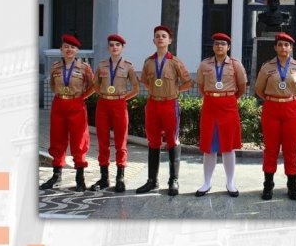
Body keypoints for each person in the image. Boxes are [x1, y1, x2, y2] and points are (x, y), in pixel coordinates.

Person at [136, 25, 192, 196]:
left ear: (169, 40)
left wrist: (174, 91)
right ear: (153, 40)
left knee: (172, 141)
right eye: (157, 36)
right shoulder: (148, 62)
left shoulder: (175, 62)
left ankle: (173, 180)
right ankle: (152, 181)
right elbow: (145, 81)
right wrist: (155, 89)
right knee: (153, 141)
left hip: (170, 104)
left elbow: (188, 82)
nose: (160, 38)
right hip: (153, 104)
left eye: (163, 36)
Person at [255, 32, 296, 200]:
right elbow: (259, 89)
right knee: (271, 148)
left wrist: (289, 98)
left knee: (290, 149)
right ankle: (268, 186)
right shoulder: (267, 66)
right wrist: (273, 99)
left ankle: (292, 186)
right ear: (275, 47)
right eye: (280, 45)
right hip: (271, 108)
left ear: (291, 48)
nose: (283, 48)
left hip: (292, 109)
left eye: (286, 45)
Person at [195, 33, 248, 197]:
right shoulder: (205, 65)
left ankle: (230, 182)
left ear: (228, 47)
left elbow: (242, 87)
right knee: (208, 146)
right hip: (210, 105)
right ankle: (206, 182)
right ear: (213, 46)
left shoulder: (235, 65)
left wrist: (227, 97)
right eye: (217, 43)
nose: (220, 46)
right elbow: (201, 87)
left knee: (228, 146)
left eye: (223, 44)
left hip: (228, 106)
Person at [40, 34, 95, 192]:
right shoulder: (56, 67)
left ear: (77, 50)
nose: (69, 49)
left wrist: (80, 97)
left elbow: (92, 86)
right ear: (61, 49)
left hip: (76, 105)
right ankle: (56, 175)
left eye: (72, 47)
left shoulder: (84, 68)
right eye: (66, 47)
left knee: (79, 141)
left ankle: (80, 177)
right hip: (59, 104)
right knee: (57, 139)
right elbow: (52, 84)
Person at [90, 34, 140, 193]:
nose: (114, 47)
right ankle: (104, 177)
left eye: (117, 45)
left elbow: (136, 88)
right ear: (108, 48)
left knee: (120, 142)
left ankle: (120, 177)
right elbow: (95, 85)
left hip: (119, 104)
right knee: (102, 141)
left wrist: (123, 98)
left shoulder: (128, 66)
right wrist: (103, 94)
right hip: (103, 104)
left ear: (122, 47)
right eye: (111, 45)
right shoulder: (102, 65)